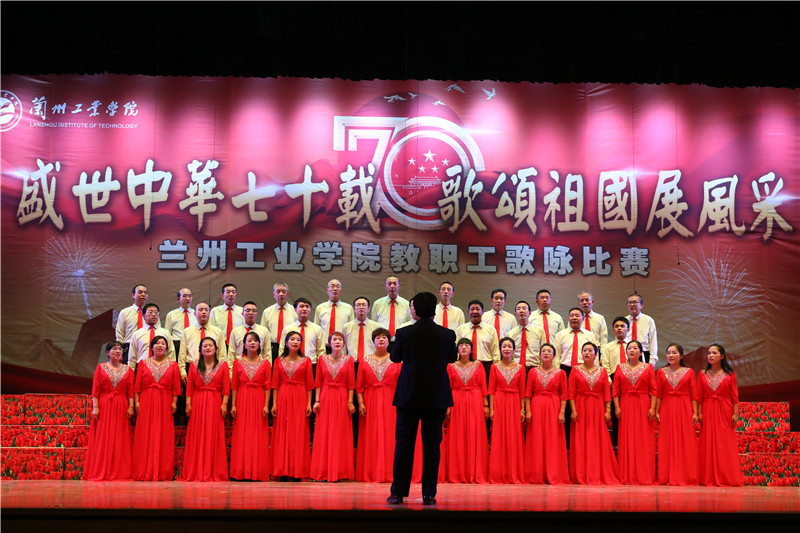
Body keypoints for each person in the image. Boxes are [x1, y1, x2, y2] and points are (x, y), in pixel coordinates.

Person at [387, 292, 457, 505]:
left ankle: (398, 493)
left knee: (404, 445)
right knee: (432, 447)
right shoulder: (447, 334)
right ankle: (428, 494)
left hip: (409, 396)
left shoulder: (404, 333)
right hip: (436, 397)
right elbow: (452, 357)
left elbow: (395, 357)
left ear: (415, 310)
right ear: (435, 310)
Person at [568, 342, 620, 484]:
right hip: (580, 407)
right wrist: (573, 410)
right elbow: (571, 393)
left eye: (590, 350)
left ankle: (597, 472)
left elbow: (606, 393)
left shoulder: (602, 371)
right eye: (584, 350)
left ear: (596, 354)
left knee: (597, 439)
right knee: (581, 439)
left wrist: (608, 410)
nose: (587, 353)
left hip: (597, 407)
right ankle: (581, 473)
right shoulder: (575, 370)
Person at [83, 341, 134, 481]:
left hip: (121, 405)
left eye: (120, 349)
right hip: (105, 405)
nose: (118, 351)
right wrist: (95, 407)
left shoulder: (128, 369)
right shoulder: (101, 368)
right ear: (107, 352)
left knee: (120, 437)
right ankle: (102, 469)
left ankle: (120, 471)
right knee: (104, 437)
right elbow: (95, 390)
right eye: (114, 349)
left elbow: (130, 391)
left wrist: (131, 406)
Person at [132, 335, 181, 481]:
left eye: (163, 343)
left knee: (164, 433)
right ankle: (143, 469)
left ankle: (162, 471)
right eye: (157, 343)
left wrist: (174, 402)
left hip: (166, 400)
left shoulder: (173, 364)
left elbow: (176, 387)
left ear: (167, 347)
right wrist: (137, 402)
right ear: (151, 347)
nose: (160, 345)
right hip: (146, 400)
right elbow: (137, 386)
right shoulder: (143, 363)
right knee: (145, 433)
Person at [356, 328, 401, 482]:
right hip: (370, 401)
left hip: (391, 402)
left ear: (389, 342)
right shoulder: (364, 361)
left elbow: (401, 385)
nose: (381, 340)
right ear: (373, 341)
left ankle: (390, 472)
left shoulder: (396, 361)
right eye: (378, 338)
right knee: (371, 436)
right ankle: (371, 472)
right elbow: (359, 386)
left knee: (390, 436)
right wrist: (361, 403)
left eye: (384, 338)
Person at [182, 337, 230, 481]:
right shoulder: (194, 365)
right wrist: (188, 404)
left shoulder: (223, 365)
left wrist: (224, 403)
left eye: (210, 345)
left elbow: (226, 387)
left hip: (215, 401)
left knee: (213, 434)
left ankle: (213, 470)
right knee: (197, 434)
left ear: (216, 349)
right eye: (205, 346)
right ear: (200, 350)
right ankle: (196, 470)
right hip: (198, 401)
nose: (208, 348)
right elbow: (190, 387)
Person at [310, 331, 356, 482]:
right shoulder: (322, 359)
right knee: (324, 432)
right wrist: (317, 401)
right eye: (334, 339)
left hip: (342, 397)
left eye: (340, 340)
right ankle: (323, 470)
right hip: (325, 397)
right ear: (329, 343)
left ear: (344, 344)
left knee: (340, 432)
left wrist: (350, 402)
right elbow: (318, 382)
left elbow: (351, 384)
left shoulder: (349, 360)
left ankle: (340, 471)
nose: (337, 342)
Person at [697, 343, 742, 486]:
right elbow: (699, 396)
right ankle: (708, 477)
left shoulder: (730, 374)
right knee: (708, 441)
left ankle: (726, 476)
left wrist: (735, 414)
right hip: (708, 409)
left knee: (724, 443)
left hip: (725, 409)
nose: (710, 355)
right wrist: (699, 413)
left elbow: (735, 396)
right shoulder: (702, 374)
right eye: (709, 353)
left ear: (722, 356)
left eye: (714, 353)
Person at [523, 342, 569, 484]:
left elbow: (564, 395)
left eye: (549, 351)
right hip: (536, 406)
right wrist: (528, 410)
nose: (546, 353)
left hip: (554, 406)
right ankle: (536, 473)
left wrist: (562, 412)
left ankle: (553, 472)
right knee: (536, 438)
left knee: (553, 439)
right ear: (539, 355)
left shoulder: (561, 373)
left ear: (554, 355)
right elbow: (527, 394)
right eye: (543, 351)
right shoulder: (533, 372)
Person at [271, 331, 315, 481]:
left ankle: (297, 471)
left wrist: (309, 403)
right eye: (292, 339)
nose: (295, 342)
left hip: (300, 397)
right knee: (283, 432)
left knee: (298, 432)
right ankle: (282, 470)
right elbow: (275, 384)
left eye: (298, 339)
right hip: (283, 397)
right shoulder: (279, 361)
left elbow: (309, 385)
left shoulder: (306, 361)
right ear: (286, 342)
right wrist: (274, 403)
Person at [613, 340, 657, 485]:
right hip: (625, 404)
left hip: (643, 404)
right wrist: (617, 407)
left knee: (643, 437)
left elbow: (654, 390)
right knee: (627, 437)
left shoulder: (648, 367)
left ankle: (644, 473)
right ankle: (627, 473)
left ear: (640, 352)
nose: (632, 350)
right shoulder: (620, 367)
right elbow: (615, 391)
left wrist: (652, 408)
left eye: (635, 348)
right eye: (629, 348)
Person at [229, 331, 272, 481]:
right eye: (249, 340)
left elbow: (267, 386)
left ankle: (257, 471)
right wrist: (233, 405)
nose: (252, 343)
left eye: (255, 340)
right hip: (242, 399)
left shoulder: (266, 363)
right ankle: (241, 470)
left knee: (258, 434)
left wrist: (266, 405)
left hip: (259, 399)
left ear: (259, 344)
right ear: (244, 345)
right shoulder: (238, 362)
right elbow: (234, 385)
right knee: (242, 433)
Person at [445, 338, 489, 484]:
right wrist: (448, 407)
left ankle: (474, 471)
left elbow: (483, 386)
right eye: (461, 345)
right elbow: (448, 388)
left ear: (471, 349)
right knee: (457, 434)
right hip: (456, 401)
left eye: (467, 345)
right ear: (457, 349)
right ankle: (457, 473)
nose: (464, 347)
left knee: (474, 433)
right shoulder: (451, 366)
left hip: (475, 400)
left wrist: (486, 405)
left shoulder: (479, 365)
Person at [655, 343, 699, 486]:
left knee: (684, 440)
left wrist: (695, 413)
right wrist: (656, 411)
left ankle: (685, 475)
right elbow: (659, 394)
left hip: (684, 407)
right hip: (667, 407)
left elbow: (693, 394)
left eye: (674, 353)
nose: (671, 355)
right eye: (668, 353)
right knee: (667, 441)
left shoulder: (689, 372)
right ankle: (667, 475)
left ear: (681, 356)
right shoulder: (661, 372)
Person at [487, 337, 526, 484]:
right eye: (504, 346)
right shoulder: (494, 367)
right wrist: (491, 409)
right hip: (499, 401)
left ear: (514, 350)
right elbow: (491, 390)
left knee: (514, 436)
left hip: (514, 402)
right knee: (498, 436)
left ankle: (513, 472)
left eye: (510, 346)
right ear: (500, 349)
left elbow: (522, 392)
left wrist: (522, 410)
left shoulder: (520, 368)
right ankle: (498, 473)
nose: (507, 349)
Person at [177, 302, 226, 384]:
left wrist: (221, 371)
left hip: (213, 369)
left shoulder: (218, 332)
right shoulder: (187, 332)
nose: (203, 312)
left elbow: (222, 354)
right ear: (195, 314)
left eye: (206, 310)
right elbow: (182, 355)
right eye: (200, 310)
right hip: (192, 368)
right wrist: (183, 372)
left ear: (209, 313)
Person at [454, 299, 500, 384]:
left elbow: (495, 352)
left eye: (478, 309)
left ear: (483, 312)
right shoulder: (460, 330)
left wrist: (495, 369)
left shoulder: (491, 330)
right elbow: (456, 351)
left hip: (486, 366)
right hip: (465, 366)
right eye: (472, 309)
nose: (475, 312)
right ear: (468, 312)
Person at [279, 298, 326, 366]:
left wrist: (320, 366)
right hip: (292, 364)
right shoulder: (288, 329)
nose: (304, 309)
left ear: (310, 310)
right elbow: (282, 349)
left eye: (307, 306)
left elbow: (321, 351)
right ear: (295, 309)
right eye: (301, 306)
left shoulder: (317, 329)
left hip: (311, 364)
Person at [129, 303, 175, 371]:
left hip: (162, 367)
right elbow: (132, 356)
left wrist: (171, 368)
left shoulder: (165, 333)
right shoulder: (137, 334)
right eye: (150, 312)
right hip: (142, 367)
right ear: (143, 316)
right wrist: (131, 371)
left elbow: (170, 353)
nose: (153, 314)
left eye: (156, 312)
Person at [227, 301, 270, 370]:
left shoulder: (264, 331)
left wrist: (267, 370)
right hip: (239, 369)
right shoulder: (235, 331)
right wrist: (231, 372)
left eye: (254, 311)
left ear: (257, 313)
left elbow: (267, 353)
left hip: (259, 369)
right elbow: (231, 354)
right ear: (242, 314)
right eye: (248, 310)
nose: (251, 313)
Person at [260, 282, 298, 362]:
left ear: (288, 294)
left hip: (289, 347)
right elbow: (263, 333)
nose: (281, 294)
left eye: (284, 292)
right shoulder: (267, 312)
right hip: (272, 347)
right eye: (278, 292)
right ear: (274, 294)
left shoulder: (295, 311)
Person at [115, 284, 154, 363]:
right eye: (140, 292)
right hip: (128, 346)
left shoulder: (153, 314)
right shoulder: (125, 312)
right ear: (133, 295)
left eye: (145, 293)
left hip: (146, 347)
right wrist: (119, 351)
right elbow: (119, 333)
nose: (143, 294)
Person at [506, 300, 547, 369]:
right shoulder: (510, 334)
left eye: (524, 308)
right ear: (515, 314)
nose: (521, 311)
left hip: (535, 368)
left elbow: (544, 351)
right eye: (518, 309)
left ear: (529, 313)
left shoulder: (540, 331)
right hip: (516, 368)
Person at [314, 279, 354, 346]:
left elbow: (351, 330)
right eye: (332, 286)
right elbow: (316, 330)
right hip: (324, 346)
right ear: (327, 290)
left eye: (338, 287)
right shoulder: (320, 308)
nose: (335, 289)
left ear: (341, 291)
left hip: (341, 346)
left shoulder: (348, 308)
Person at [342, 296, 380, 363]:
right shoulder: (346, 327)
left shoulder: (376, 327)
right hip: (352, 363)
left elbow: (379, 347)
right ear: (354, 309)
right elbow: (343, 348)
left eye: (364, 305)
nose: (361, 307)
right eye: (358, 305)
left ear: (368, 309)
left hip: (370, 363)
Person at [625, 294, 658, 366]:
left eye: (635, 302)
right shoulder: (624, 321)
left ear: (641, 305)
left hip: (644, 354)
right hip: (627, 355)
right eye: (630, 302)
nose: (632, 305)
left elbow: (653, 341)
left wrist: (653, 360)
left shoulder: (648, 320)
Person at [164, 288, 198, 356]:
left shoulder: (196, 314)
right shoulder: (171, 314)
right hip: (177, 344)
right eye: (184, 296)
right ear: (178, 299)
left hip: (193, 344)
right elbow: (167, 334)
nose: (187, 298)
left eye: (190, 296)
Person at [209, 283, 243, 348]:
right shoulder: (215, 311)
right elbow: (210, 330)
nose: (231, 294)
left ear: (236, 295)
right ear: (222, 296)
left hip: (237, 345)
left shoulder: (242, 311)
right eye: (228, 292)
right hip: (220, 344)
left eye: (233, 292)